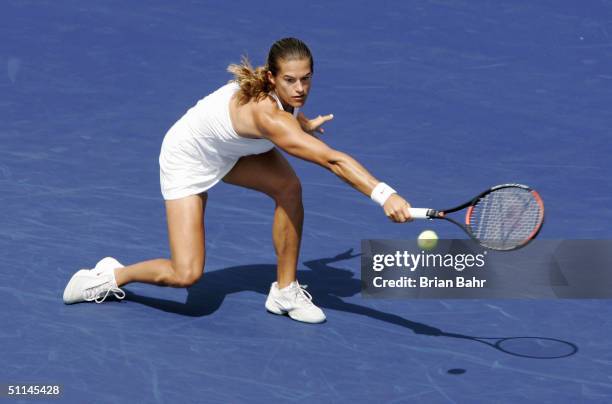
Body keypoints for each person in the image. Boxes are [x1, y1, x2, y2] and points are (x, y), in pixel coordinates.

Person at [63, 37, 413, 323]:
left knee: (288, 188)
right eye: (290, 80)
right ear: (272, 78)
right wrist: (385, 195)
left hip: (231, 151)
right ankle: (110, 276)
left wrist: (303, 125)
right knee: (185, 275)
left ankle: (285, 291)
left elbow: (288, 117)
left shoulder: (283, 101)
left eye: (306, 78)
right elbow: (333, 160)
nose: (300, 88)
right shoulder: (269, 117)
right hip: (188, 155)